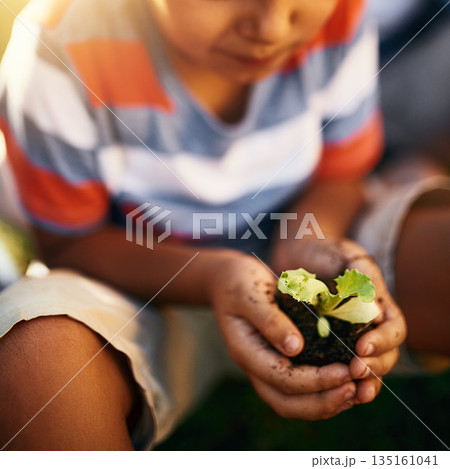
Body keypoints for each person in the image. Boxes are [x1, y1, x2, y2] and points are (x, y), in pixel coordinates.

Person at [0, 0, 445, 451]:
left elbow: (340, 173)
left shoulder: (339, 16)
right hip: (137, 283)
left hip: (297, 236)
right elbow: (69, 244)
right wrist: (214, 276)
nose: (270, 27)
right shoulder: (58, 54)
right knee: (35, 364)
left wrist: (310, 240)